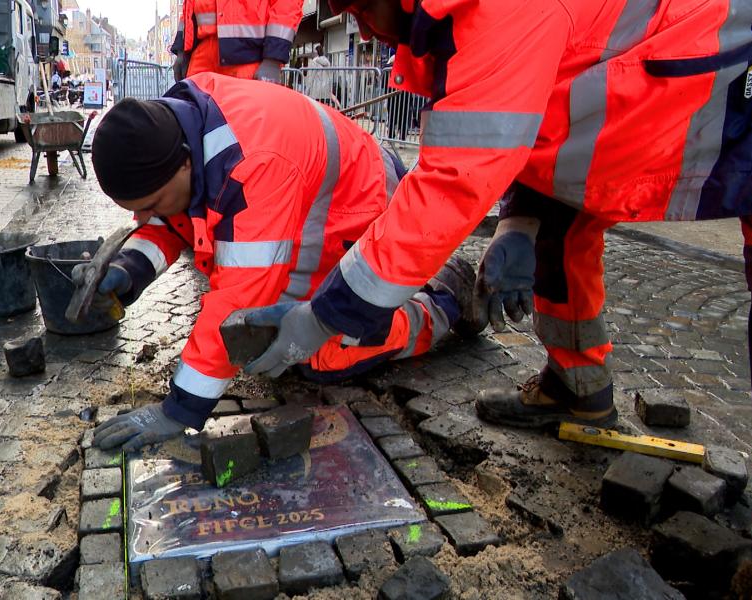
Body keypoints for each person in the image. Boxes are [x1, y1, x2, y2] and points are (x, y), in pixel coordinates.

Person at [238, 0, 752, 597]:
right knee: (561, 240)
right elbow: (549, 113)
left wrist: (327, 312)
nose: (357, 26)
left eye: (356, 7)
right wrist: (521, 221)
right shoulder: (458, 23)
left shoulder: (498, 10)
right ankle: (579, 389)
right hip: (673, 97)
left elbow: (451, 183)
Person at [84, 72, 480, 453]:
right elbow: (172, 220)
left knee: (324, 346)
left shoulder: (251, 166)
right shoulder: (178, 127)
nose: (144, 218)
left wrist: (179, 410)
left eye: (149, 205)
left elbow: (238, 299)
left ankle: (442, 301)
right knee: (283, 331)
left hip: (366, 205)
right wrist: (129, 267)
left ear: (184, 162)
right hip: (316, 210)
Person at [169, 0, 302, 83]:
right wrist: (183, 49)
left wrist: (273, 60)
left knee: (244, 125)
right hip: (202, 56)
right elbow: (190, 7)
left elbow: (287, 5)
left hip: (250, 59)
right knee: (195, 124)